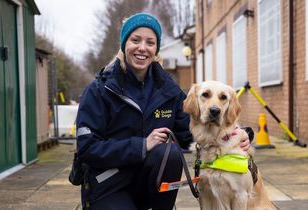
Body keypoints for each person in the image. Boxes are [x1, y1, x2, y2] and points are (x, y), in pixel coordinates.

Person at [75, 13, 251, 210]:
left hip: (149, 184)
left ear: (155, 48)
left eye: (150, 42)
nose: (142, 48)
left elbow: (192, 133)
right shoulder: (100, 90)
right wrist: (142, 145)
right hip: (110, 184)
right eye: (135, 40)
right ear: (124, 44)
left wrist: (238, 135)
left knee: (171, 153)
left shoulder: (168, 90)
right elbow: (87, 149)